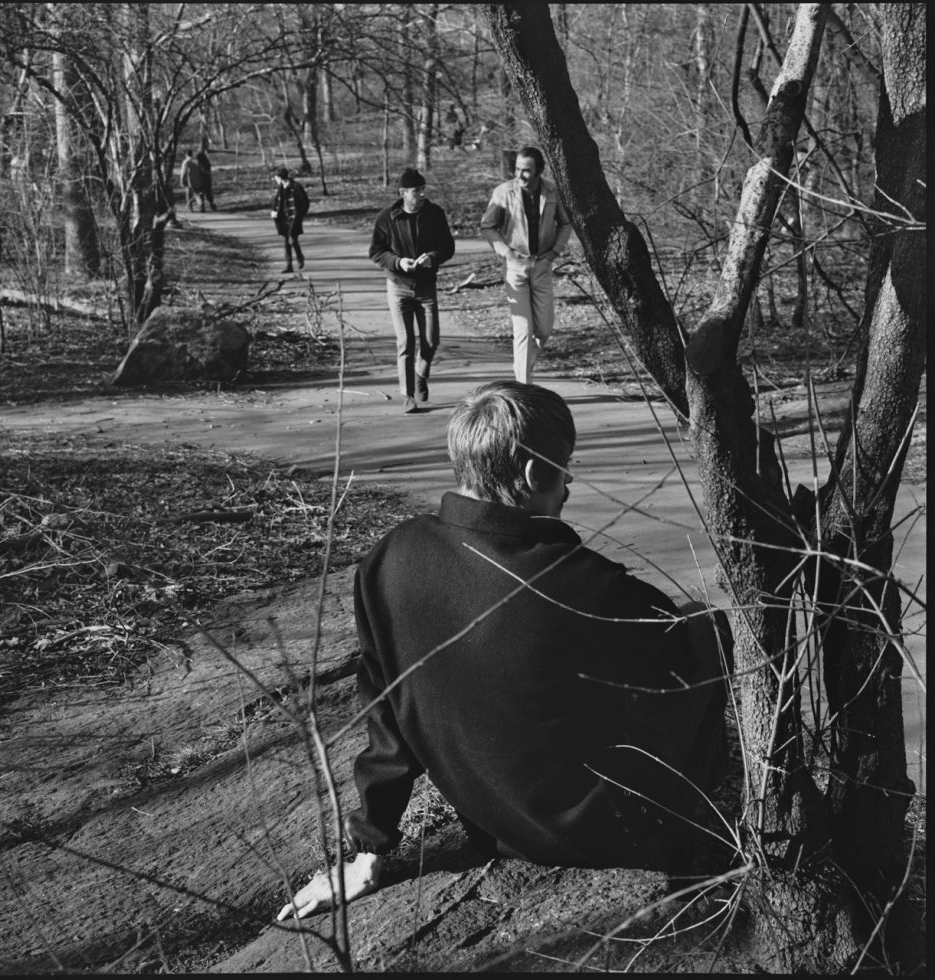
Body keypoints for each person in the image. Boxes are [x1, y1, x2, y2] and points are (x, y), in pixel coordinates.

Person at [277, 381, 733, 922]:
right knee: (706, 640)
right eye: (566, 466)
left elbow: (387, 713)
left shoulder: (390, 557)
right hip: (600, 832)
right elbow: (692, 659)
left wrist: (370, 844)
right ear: (537, 475)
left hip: (491, 821)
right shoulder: (585, 584)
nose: (568, 482)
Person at [480, 146, 573, 384]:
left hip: (542, 266)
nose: (521, 175)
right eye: (518, 169)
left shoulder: (552, 191)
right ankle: (524, 388)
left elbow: (565, 223)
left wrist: (554, 253)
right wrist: (506, 252)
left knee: (544, 329)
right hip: (515, 269)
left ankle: (521, 368)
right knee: (523, 331)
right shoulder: (503, 193)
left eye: (527, 170)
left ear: (539, 171)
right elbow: (487, 226)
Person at [369, 167, 455, 414]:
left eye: (422, 190)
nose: (421, 195)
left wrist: (433, 257)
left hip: (426, 286)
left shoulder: (435, 213)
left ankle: (421, 373)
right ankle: (407, 396)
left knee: (431, 340)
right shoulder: (388, 217)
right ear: (403, 193)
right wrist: (398, 262)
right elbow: (375, 252)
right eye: (416, 191)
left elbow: (447, 247)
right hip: (398, 287)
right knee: (405, 341)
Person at [270, 168, 310, 273]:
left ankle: (299, 258)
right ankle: (290, 265)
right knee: (288, 241)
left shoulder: (296, 187)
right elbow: (277, 202)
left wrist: (300, 215)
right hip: (284, 219)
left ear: (280, 178)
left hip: (294, 218)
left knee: (292, 239)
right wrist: (274, 211)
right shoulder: (281, 188)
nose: (275, 180)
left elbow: (305, 202)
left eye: (276, 178)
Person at [195, 147, 216, 211]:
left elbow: (200, 171)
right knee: (209, 193)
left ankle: (202, 206)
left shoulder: (198, 163)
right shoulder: (207, 162)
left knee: (200, 193)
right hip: (207, 180)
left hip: (201, 180)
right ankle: (212, 205)